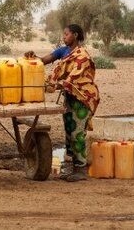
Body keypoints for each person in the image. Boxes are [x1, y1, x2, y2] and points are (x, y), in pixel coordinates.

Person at [24, 24, 100, 182]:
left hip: (82, 98)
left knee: (78, 133)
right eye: (63, 34)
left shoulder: (83, 55)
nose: (64, 37)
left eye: (66, 34)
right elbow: (43, 60)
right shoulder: (63, 51)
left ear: (76, 35)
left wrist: (55, 84)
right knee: (69, 131)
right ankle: (74, 168)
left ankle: (81, 170)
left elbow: (74, 78)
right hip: (70, 97)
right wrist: (33, 57)